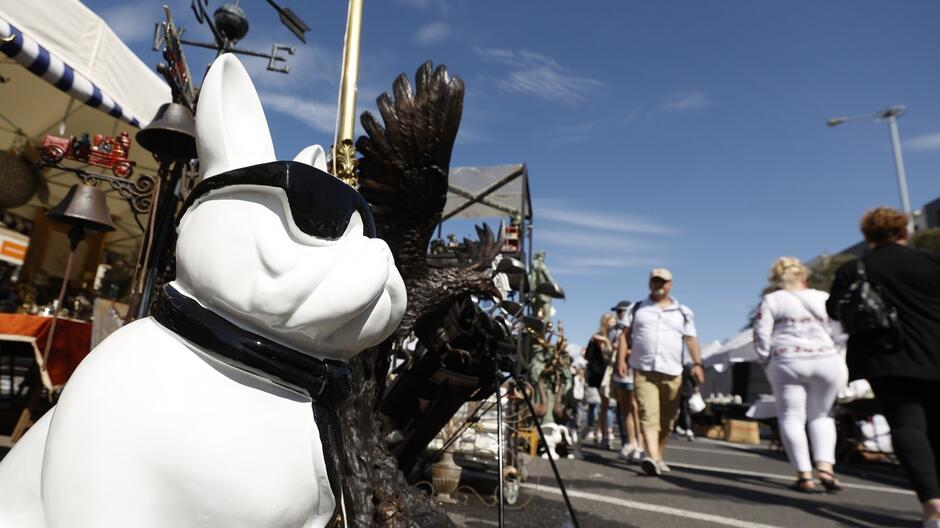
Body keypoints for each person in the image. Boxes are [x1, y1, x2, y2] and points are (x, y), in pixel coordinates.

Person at [827, 207, 940, 527]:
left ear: (867, 235)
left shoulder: (855, 268)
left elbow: (835, 310)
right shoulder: (932, 261)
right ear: (905, 231)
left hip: (886, 356)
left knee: (908, 425)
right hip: (936, 352)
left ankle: (933, 506)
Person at [754, 257, 845, 493]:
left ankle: (804, 475)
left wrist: (766, 360)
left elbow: (761, 336)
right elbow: (841, 333)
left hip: (787, 359)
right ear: (804, 277)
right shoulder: (823, 298)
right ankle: (826, 468)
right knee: (822, 415)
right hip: (826, 359)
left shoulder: (773, 299)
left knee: (792, 417)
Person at [617, 268, 704, 476]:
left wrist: (698, 363)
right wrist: (621, 359)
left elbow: (691, 339)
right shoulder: (637, 309)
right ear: (649, 284)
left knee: (668, 419)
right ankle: (652, 458)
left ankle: (657, 455)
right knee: (648, 414)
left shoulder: (683, 312)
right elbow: (623, 336)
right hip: (643, 369)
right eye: (655, 281)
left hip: (673, 371)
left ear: (670, 285)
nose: (659, 285)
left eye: (663, 282)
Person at [610, 301, 645, 462]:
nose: (620, 314)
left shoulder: (637, 327)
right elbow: (612, 348)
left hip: (635, 370)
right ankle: (630, 443)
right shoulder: (615, 330)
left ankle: (640, 445)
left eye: (622, 311)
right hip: (621, 371)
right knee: (625, 409)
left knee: (636, 408)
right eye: (618, 312)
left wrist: (627, 351)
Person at [584, 313, 616, 448]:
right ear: (605, 322)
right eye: (611, 320)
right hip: (601, 374)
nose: (614, 322)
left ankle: (600, 431)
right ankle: (606, 433)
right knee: (605, 404)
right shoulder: (598, 337)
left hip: (610, 372)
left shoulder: (613, 335)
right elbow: (604, 355)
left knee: (605, 405)